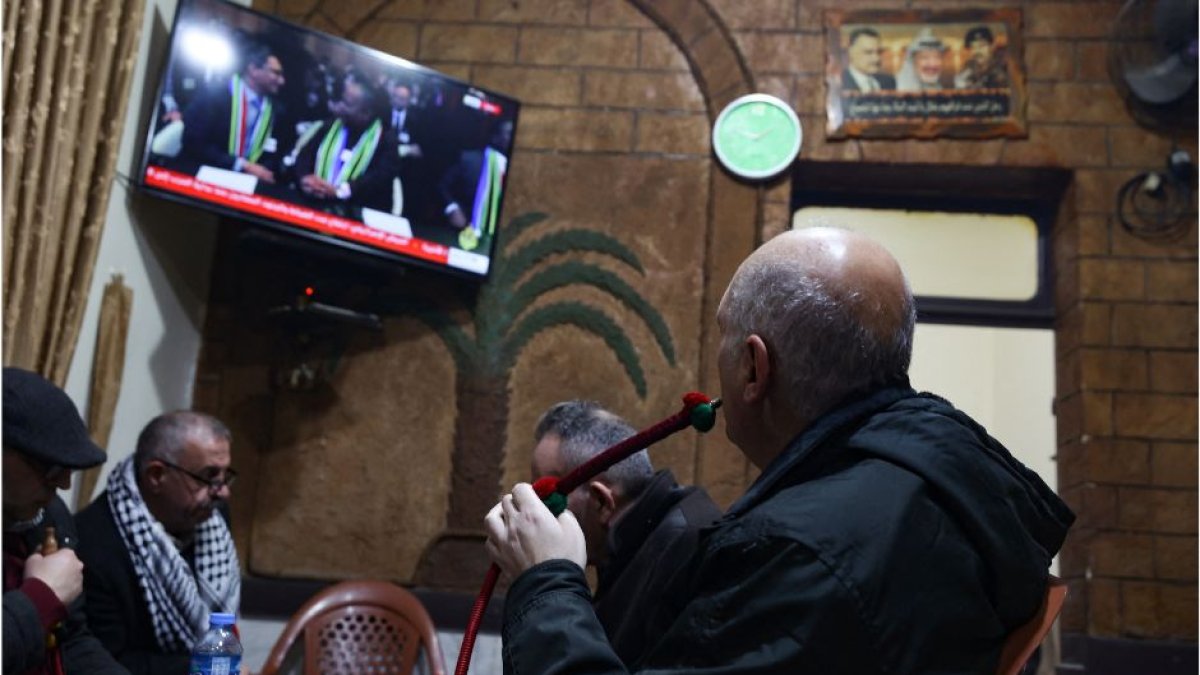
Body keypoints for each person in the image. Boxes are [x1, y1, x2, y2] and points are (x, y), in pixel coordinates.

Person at [485, 227, 1075, 674]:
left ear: (752, 368)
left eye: (722, 335)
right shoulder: (949, 471)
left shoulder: (797, 555)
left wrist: (549, 578)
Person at [529, 400, 721, 666]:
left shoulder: (686, 550)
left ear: (601, 502)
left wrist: (543, 580)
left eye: (544, 494)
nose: (534, 511)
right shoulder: (628, 550)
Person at [75, 412, 241, 675]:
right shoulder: (93, 545)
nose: (223, 491)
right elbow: (105, 661)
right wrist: (206, 669)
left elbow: (222, 630)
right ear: (156, 476)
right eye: (209, 475)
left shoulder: (213, 517)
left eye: (225, 475)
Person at [2, 367, 128, 674]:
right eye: (50, 467)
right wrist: (42, 596)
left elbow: (71, 641)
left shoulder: (49, 515)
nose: (63, 485)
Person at [283, 72, 399, 214]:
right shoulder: (330, 125)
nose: (340, 107)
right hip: (314, 203)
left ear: (366, 113)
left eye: (347, 104)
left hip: (354, 211)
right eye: (342, 101)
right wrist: (305, 178)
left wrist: (341, 191)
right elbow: (304, 155)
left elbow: (380, 179)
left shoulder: (386, 139)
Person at [178, 41, 286, 184]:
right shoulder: (215, 94)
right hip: (201, 177)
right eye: (275, 73)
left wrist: (262, 170)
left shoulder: (275, 110)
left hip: (247, 184)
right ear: (253, 69)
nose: (281, 81)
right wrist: (240, 165)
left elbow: (271, 154)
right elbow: (193, 143)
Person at [897, 27, 953, 91]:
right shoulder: (898, 88)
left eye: (938, 57)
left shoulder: (944, 86)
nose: (933, 64)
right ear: (912, 61)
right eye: (925, 57)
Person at [840, 27, 895, 93]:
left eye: (879, 52)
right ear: (851, 52)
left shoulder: (889, 81)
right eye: (868, 52)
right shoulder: (840, 82)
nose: (876, 58)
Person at [955, 25, 1009, 89]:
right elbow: (960, 85)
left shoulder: (1001, 68)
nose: (978, 51)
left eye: (982, 46)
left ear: (991, 47)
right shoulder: (967, 69)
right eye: (974, 47)